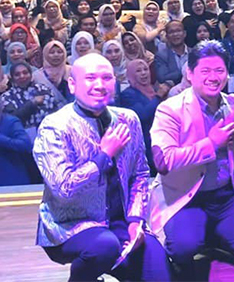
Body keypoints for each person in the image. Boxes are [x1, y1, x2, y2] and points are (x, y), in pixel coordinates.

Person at [33, 53, 170, 282]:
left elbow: (140, 175)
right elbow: (63, 189)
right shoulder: (55, 126)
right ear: (72, 85)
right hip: (71, 225)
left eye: (106, 78)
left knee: (159, 268)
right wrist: (103, 156)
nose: (99, 85)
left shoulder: (128, 119)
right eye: (90, 78)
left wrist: (136, 220)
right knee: (106, 247)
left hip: (120, 221)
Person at [148, 41, 234, 277]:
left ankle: (213, 235)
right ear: (190, 73)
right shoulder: (169, 109)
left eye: (219, 70)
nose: (213, 77)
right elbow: (163, 161)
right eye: (205, 71)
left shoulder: (232, 106)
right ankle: (199, 233)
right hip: (185, 197)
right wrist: (211, 144)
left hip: (224, 197)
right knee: (183, 248)